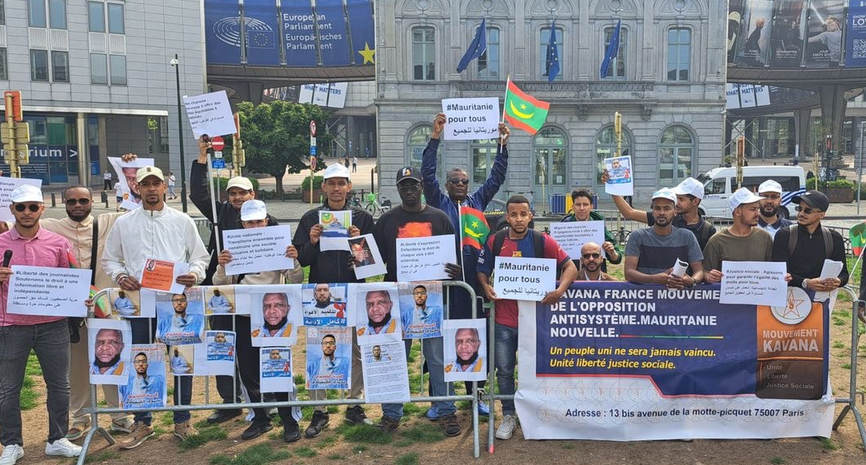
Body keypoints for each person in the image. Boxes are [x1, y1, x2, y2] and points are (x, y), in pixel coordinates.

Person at [102, 166, 209, 448]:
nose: (151, 189)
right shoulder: (124, 223)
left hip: (175, 303)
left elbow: (200, 257)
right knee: (141, 359)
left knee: (181, 361)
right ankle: (143, 421)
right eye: (145, 184)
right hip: (139, 304)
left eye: (156, 183)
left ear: (165, 187)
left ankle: (183, 419)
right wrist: (121, 276)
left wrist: (195, 274)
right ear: (137, 188)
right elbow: (110, 260)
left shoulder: (182, 220)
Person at [421, 113, 509, 417]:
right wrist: (435, 137)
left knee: (473, 339)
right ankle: (438, 400)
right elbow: (426, 175)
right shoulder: (438, 203)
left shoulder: (477, 202)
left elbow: (496, 178)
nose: (460, 184)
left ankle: (477, 396)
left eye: (464, 181)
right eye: (455, 181)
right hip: (445, 287)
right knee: (442, 342)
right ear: (447, 185)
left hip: (472, 285)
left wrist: (502, 145)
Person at [369, 166, 464, 437]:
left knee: (436, 357)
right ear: (398, 189)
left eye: (414, 185)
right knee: (395, 357)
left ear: (422, 187)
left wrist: (454, 270)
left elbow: (452, 256)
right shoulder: (387, 220)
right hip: (398, 300)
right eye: (404, 186)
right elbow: (373, 257)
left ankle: (446, 411)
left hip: (433, 298)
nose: (409, 190)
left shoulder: (440, 217)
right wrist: (360, 259)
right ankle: (391, 413)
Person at [476, 194, 577, 440]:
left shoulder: (543, 241)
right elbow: (481, 270)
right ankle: (509, 414)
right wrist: (485, 286)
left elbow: (570, 266)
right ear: (507, 216)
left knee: (538, 369)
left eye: (523, 214)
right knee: (505, 370)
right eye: (514, 214)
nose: (519, 219)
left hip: (535, 321)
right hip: (503, 321)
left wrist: (559, 290)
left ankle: (538, 414)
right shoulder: (495, 241)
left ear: (530, 216)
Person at [41, 185, 135, 439]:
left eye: (83, 200)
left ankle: (120, 415)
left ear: (92, 201)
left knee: (112, 359)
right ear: (64, 202)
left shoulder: (109, 221)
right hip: (71, 309)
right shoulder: (50, 226)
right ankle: (80, 417)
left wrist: (129, 172)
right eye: (72, 202)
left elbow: (138, 207)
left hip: (106, 307)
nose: (78, 206)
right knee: (76, 367)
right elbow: (14, 223)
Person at [0, 184, 83, 463]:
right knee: (8, 388)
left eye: (32, 207)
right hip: (10, 326)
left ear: (41, 209)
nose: (27, 212)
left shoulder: (58, 243)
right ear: (12, 209)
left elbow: (71, 279)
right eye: (21, 207)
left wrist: (78, 297)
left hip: (53, 324)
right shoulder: (0, 244)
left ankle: (57, 438)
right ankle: (12, 443)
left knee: (60, 384)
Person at [213, 199, 304, 442]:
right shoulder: (233, 247)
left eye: (258, 221)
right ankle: (260, 418)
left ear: (266, 220)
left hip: (273, 318)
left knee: (278, 369)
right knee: (249, 371)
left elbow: (296, 279)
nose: (254, 226)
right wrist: (222, 267)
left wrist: (293, 260)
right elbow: (219, 285)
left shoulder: (278, 244)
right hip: (243, 315)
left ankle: (289, 420)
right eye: (249, 222)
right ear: (242, 224)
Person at [293, 162, 374, 431]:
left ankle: (354, 404)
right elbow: (301, 260)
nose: (337, 189)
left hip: (352, 292)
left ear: (349, 187)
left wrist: (358, 242)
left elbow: (370, 263)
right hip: (322, 294)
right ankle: (320, 410)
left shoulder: (361, 218)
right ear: (324, 187)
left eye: (342, 183)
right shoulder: (310, 218)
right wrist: (312, 242)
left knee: (356, 351)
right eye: (332, 184)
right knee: (319, 349)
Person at [190, 136, 253, 424]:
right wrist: (202, 159)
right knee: (221, 340)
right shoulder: (220, 214)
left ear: (253, 195)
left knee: (257, 344)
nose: (238, 198)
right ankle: (230, 401)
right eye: (233, 193)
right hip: (222, 288)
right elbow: (199, 195)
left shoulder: (265, 218)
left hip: (254, 291)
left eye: (243, 193)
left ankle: (263, 396)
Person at [607, 176, 716, 251]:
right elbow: (629, 213)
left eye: (681, 199)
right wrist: (611, 187)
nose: (676, 202)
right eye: (676, 197)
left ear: (695, 201)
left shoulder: (707, 230)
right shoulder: (667, 217)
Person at [623, 188, 705, 287]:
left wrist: (690, 280)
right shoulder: (638, 236)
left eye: (667, 208)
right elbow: (629, 273)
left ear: (675, 212)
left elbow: (699, 271)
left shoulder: (687, 236)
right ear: (652, 212)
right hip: (645, 299)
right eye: (657, 208)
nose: (661, 213)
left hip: (678, 297)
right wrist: (653, 279)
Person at [771, 190, 849, 291]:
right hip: (790, 299)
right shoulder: (784, 235)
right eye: (799, 209)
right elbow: (779, 273)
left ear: (821, 214)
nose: (801, 214)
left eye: (808, 211)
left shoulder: (834, 238)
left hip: (821, 300)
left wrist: (839, 281)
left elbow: (844, 273)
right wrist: (805, 282)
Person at [703, 188, 775, 283]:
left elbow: (773, 270)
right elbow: (705, 271)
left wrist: (781, 277)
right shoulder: (717, 241)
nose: (757, 213)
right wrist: (710, 276)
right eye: (753, 209)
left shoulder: (765, 237)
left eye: (757, 209)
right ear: (737, 212)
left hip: (758, 296)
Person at [561, 189, 622, 272]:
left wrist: (612, 252)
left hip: (595, 278)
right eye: (578, 204)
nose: (582, 208)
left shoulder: (599, 227)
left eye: (585, 204)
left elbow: (617, 260)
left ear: (591, 207)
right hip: (570, 276)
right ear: (572, 207)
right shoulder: (564, 226)